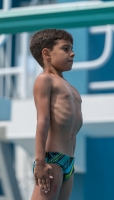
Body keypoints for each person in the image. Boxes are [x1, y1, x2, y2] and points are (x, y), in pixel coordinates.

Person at [30, 29, 83, 200]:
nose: (72, 53)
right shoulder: (45, 80)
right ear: (46, 53)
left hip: (69, 161)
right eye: (65, 49)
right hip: (51, 159)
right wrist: (40, 162)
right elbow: (43, 121)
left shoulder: (69, 86)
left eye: (71, 49)